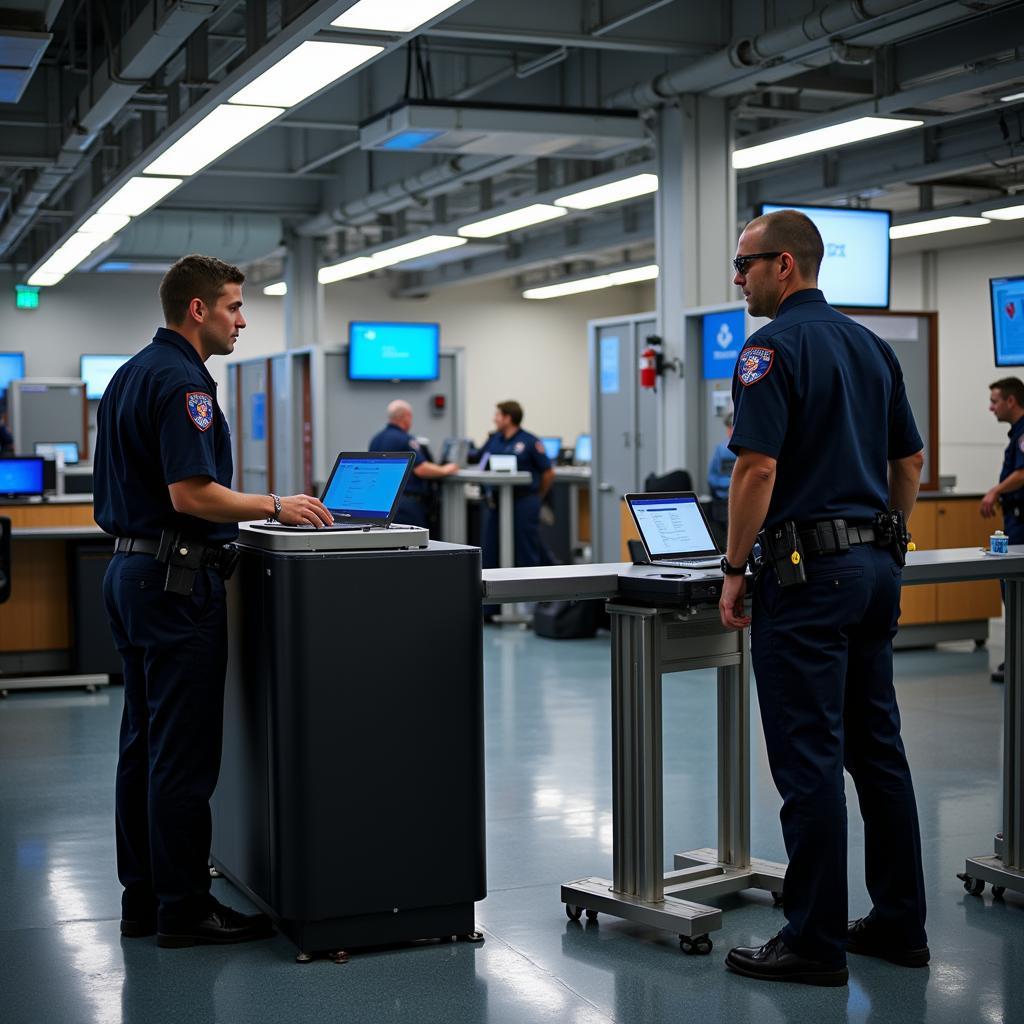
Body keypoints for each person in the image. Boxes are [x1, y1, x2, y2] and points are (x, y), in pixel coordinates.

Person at [94, 254, 332, 949]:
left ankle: (144, 899)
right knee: (181, 753)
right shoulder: (182, 382)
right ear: (197, 309)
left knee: (142, 743)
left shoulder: (133, 371)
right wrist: (275, 505)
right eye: (233, 305)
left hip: (131, 576)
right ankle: (184, 909)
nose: (242, 319)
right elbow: (191, 493)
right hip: (173, 585)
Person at [717, 210, 928, 986]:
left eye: (744, 266)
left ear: (785, 266)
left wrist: (735, 568)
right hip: (874, 570)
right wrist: (887, 540)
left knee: (809, 759)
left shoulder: (771, 348)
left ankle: (813, 939)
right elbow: (908, 459)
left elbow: (756, 471)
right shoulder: (872, 348)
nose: (737, 280)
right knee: (878, 753)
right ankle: (901, 923)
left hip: (806, 580)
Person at [478, 401, 554, 617]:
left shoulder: (530, 442)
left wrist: (538, 496)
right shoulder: (494, 440)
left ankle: (531, 606)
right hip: (497, 503)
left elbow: (548, 473)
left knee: (526, 550)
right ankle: (490, 608)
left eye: (497, 415)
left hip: (524, 502)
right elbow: (479, 461)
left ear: (508, 418)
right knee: (491, 550)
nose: (494, 419)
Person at [980, 377, 1024, 683]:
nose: (991, 407)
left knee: (1016, 591)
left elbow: (1023, 472)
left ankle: (1019, 661)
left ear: (1011, 401)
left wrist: (995, 491)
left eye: (995, 400)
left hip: (1022, 523)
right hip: (1015, 520)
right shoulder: (1017, 435)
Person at [368, 399, 459, 528]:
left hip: (382, 503)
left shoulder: (376, 439)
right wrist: (445, 469)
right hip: (406, 505)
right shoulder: (406, 440)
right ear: (406, 417)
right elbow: (421, 468)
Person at [707, 413, 737, 501]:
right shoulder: (721, 449)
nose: (730, 431)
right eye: (729, 427)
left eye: (733, 427)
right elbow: (711, 478)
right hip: (723, 498)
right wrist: (730, 482)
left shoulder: (749, 451)